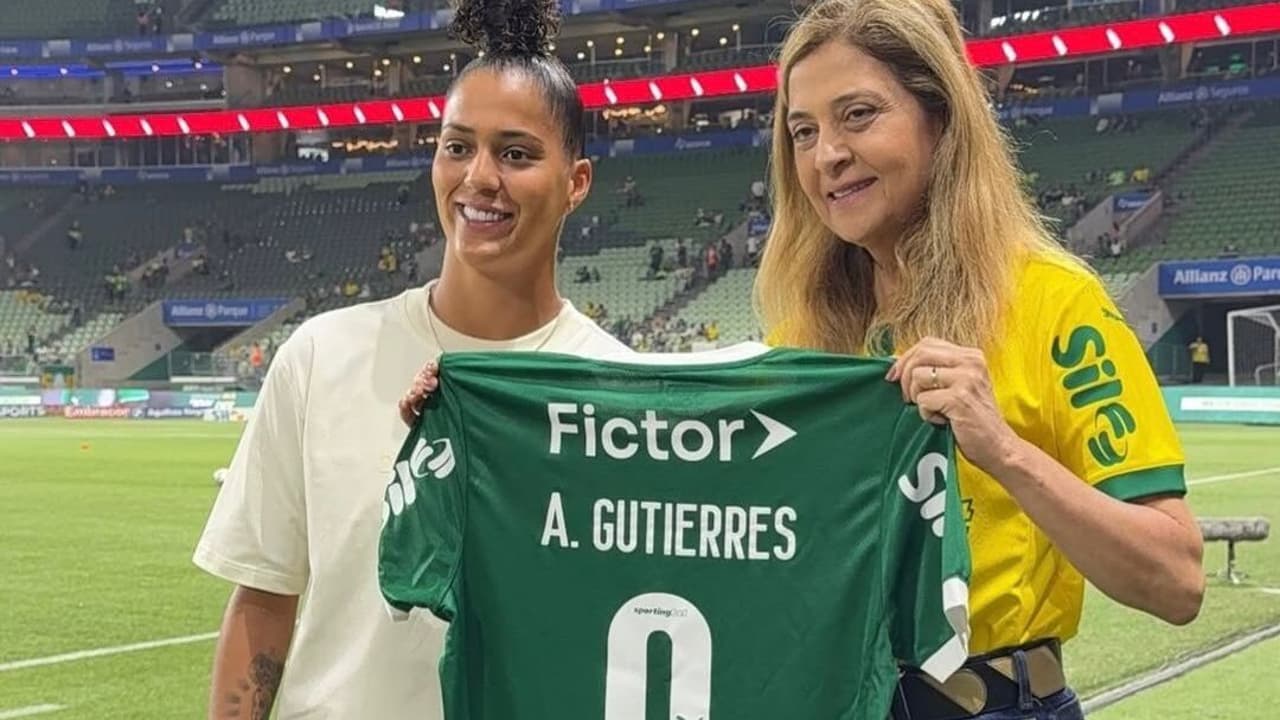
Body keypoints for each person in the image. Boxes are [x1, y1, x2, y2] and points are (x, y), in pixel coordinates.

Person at [756, 1, 1204, 718]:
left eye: (859, 115)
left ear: (941, 119)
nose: (825, 155)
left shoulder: (1057, 304)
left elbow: (1176, 582)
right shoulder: (799, 337)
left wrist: (1003, 449)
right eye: (802, 131)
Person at [193, 0, 628, 716]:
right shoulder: (320, 357)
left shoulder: (619, 392)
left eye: (516, 154)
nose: (478, 176)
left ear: (576, 182)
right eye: (457, 147)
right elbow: (264, 599)